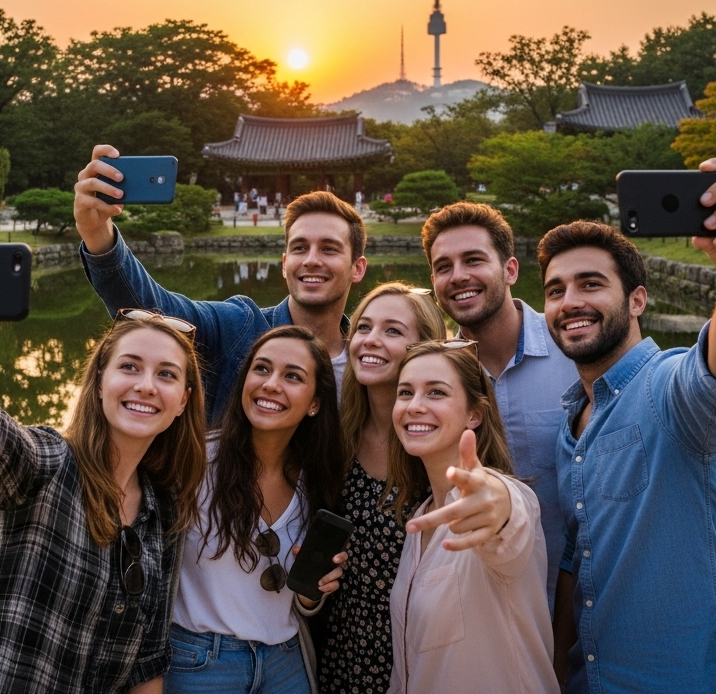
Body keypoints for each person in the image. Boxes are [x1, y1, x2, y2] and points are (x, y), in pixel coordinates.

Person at [0, 231, 209, 693]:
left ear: (182, 402)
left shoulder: (163, 512)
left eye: (166, 375)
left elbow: (146, 661)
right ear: (98, 382)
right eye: (129, 367)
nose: (146, 385)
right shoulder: (50, 464)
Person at [541, 159, 716, 693]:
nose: (569, 301)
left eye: (589, 283)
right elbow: (572, 566)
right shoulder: (569, 425)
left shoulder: (668, 389)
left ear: (636, 300)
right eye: (555, 290)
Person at [75, 145, 368, 424]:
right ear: (284, 263)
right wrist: (97, 233)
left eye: (329, 249)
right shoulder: (239, 328)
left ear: (357, 268)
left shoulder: (370, 358)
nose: (311, 260)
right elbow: (153, 309)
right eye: (300, 248)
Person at [168, 326, 349, 694]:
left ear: (315, 402)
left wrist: (313, 592)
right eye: (262, 369)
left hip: (285, 663)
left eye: (293, 376)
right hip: (201, 665)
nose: (271, 384)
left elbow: (299, 602)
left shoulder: (317, 480)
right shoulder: (194, 461)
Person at [420, 202, 578, 608]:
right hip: (478, 602)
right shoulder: (432, 376)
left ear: (510, 270)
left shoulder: (575, 348)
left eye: (473, 260)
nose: (458, 277)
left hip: (575, 601)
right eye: (443, 266)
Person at [386, 340, 556, 693]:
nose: (415, 406)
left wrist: (497, 504)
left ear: (474, 415)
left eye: (436, 393)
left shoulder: (506, 496)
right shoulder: (421, 520)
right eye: (405, 392)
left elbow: (506, 519)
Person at [317, 283, 447, 694]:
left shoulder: (438, 444)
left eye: (392, 330)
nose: (371, 340)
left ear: (423, 348)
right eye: (364, 327)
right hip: (340, 655)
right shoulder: (336, 438)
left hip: (421, 660)